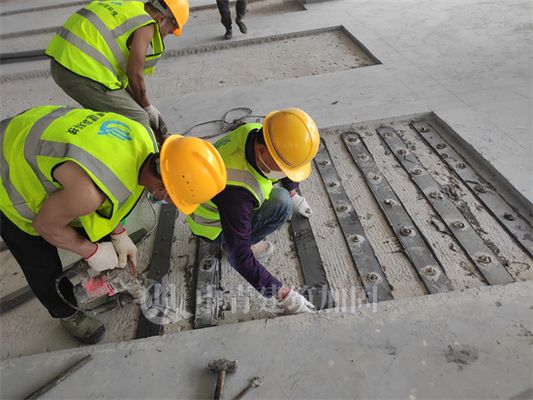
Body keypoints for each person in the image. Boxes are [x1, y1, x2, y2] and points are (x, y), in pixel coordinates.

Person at [0, 106, 226, 344]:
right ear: (163, 189)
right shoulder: (87, 195)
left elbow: (106, 180)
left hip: (28, 127)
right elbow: (44, 225)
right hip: (7, 167)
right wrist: (91, 251)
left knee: (83, 213)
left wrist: (117, 232)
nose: (170, 203)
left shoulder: (143, 136)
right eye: (174, 199)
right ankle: (67, 314)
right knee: (39, 259)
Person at [187, 108, 319, 314]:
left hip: (218, 206)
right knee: (281, 205)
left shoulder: (258, 132)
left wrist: (293, 193)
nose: (286, 173)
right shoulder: (237, 191)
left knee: (285, 198)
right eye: (284, 167)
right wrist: (284, 295)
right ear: (263, 152)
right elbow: (241, 258)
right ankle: (226, 245)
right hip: (213, 228)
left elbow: (286, 162)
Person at [45, 0, 189, 140]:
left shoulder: (129, 7)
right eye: (169, 31)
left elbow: (125, 81)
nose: (166, 34)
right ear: (162, 19)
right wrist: (147, 108)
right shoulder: (146, 25)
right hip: (81, 71)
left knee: (130, 112)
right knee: (138, 119)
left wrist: (142, 105)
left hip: (61, 61)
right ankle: (152, 162)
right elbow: (134, 74)